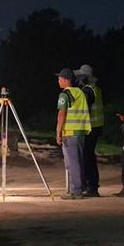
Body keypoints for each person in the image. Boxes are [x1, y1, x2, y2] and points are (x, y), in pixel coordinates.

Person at [55, 67, 90, 200]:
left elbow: (62, 114)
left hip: (70, 133)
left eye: (59, 79)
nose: (58, 81)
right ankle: (80, 187)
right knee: (78, 161)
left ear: (65, 80)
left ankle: (76, 191)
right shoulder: (80, 93)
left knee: (72, 163)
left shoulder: (65, 94)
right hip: (81, 131)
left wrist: (58, 132)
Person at [75, 63, 105, 197]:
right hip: (96, 127)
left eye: (81, 77)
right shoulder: (96, 88)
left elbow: (82, 108)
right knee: (89, 156)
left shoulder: (88, 91)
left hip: (90, 128)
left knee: (87, 158)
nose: (79, 79)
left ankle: (91, 187)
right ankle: (92, 186)